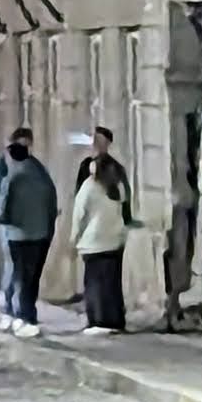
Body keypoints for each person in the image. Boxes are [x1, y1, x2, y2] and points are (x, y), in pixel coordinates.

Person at [0, 127, 60, 329]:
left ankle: (19, 311)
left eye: (28, 144)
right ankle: (15, 308)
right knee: (18, 272)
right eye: (23, 144)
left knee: (21, 273)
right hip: (20, 228)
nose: (26, 148)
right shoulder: (4, 166)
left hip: (23, 229)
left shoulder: (27, 169)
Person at [72, 138, 133, 333]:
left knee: (94, 284)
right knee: (112, 284)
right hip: (115, 242)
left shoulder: (89, 186)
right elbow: (125, 209)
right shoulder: (117, 187)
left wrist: (74, 238)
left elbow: (79, 214)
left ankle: (97, 320)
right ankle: (114, 320)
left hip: (93, 243)